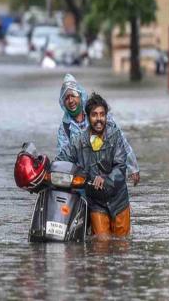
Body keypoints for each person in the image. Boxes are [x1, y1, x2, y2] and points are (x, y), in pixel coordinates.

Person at [56, 93, 131, 236]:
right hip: (96, 202)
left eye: (102, 114)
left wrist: (105, 178)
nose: (98, 119)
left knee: (122, 246)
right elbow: (62, 159)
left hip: (119, 200)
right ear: (88, 117)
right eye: (94, 115)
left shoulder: (115, 136)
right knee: (100, 248)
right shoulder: (79, 141)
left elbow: (121, 166)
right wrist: (46, 167)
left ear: (106, 116)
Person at [57, 74, 140, 186]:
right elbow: (63, 156)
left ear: (80, 96)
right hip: (81, 181)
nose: (70, 100)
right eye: (66, 98)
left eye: (73, 95)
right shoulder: (64, 128)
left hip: (106, 175)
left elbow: (120, 141)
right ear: (63, 102)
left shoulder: (97, 113)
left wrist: (133, 167)